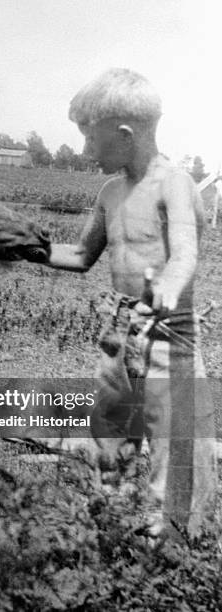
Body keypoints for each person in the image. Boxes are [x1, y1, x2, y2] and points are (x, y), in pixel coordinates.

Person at [46, 68, 217, 539]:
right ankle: (114, 523)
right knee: (110, 429)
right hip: (118, 333)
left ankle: (180, 542)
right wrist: (26, 247)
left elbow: (184, 251)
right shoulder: (110, 192)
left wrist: (168, 285)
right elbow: (81, 255)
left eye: (89, 138)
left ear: (125, 134)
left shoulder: (174, 184)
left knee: (177, 438)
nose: (85, 150)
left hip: (168, 330)